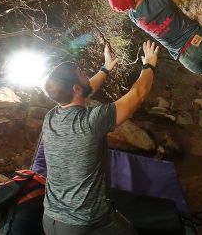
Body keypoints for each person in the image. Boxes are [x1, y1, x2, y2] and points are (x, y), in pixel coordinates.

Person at [39, 40, 160, 235]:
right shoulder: (91, 122)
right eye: (82, 74)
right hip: (85, 222)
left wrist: (106, 67)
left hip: (51, 220)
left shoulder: (51, 117)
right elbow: (137, 94)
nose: (86, 74)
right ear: (75, 89)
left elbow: (84, 91)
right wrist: (149, 65)